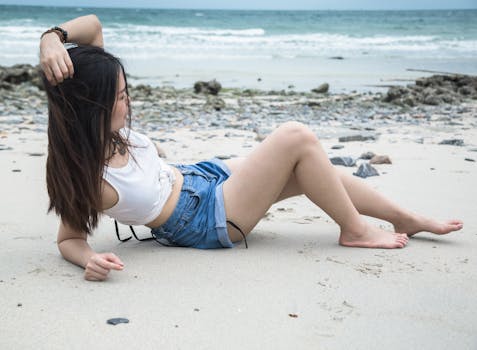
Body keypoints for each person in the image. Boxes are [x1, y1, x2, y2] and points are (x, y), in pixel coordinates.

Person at [39, 15, 463, 281]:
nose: (129, 101)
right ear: (89, 108)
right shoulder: (90, 176)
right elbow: (69, 239)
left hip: (200, 176)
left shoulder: (98, 117)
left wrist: (52, 38)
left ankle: (403, 219)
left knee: (308, 166)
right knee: (295, 137)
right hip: (202, 219)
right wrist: (89, 259)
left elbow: (91, 26)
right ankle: (356, 231)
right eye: (120, 97)